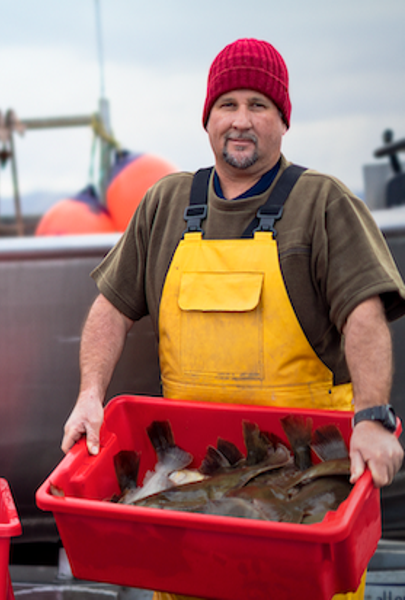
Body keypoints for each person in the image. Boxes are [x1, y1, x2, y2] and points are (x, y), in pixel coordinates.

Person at [60, 38, 405, 600]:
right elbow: (112, 308)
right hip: (193, 489)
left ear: (282, 121)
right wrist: (89, 395)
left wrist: (371, 417)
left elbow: (363, 314)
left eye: (259, 105)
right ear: (208, 118)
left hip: (305, 486)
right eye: (228, 104)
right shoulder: (165, 203)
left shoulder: (323, 202)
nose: (241, 121)